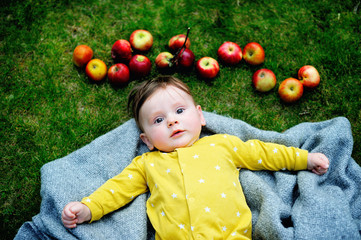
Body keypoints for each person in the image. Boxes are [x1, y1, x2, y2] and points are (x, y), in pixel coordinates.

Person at [62, 76, 329, 239]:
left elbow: (262, 153)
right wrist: (88, 209)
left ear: (200, 117)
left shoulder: (221, 145)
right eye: (158, 120)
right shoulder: (147, 164)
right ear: (146, 141)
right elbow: (116, 190)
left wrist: (303, 159)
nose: (172, 121)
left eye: (179, 110)